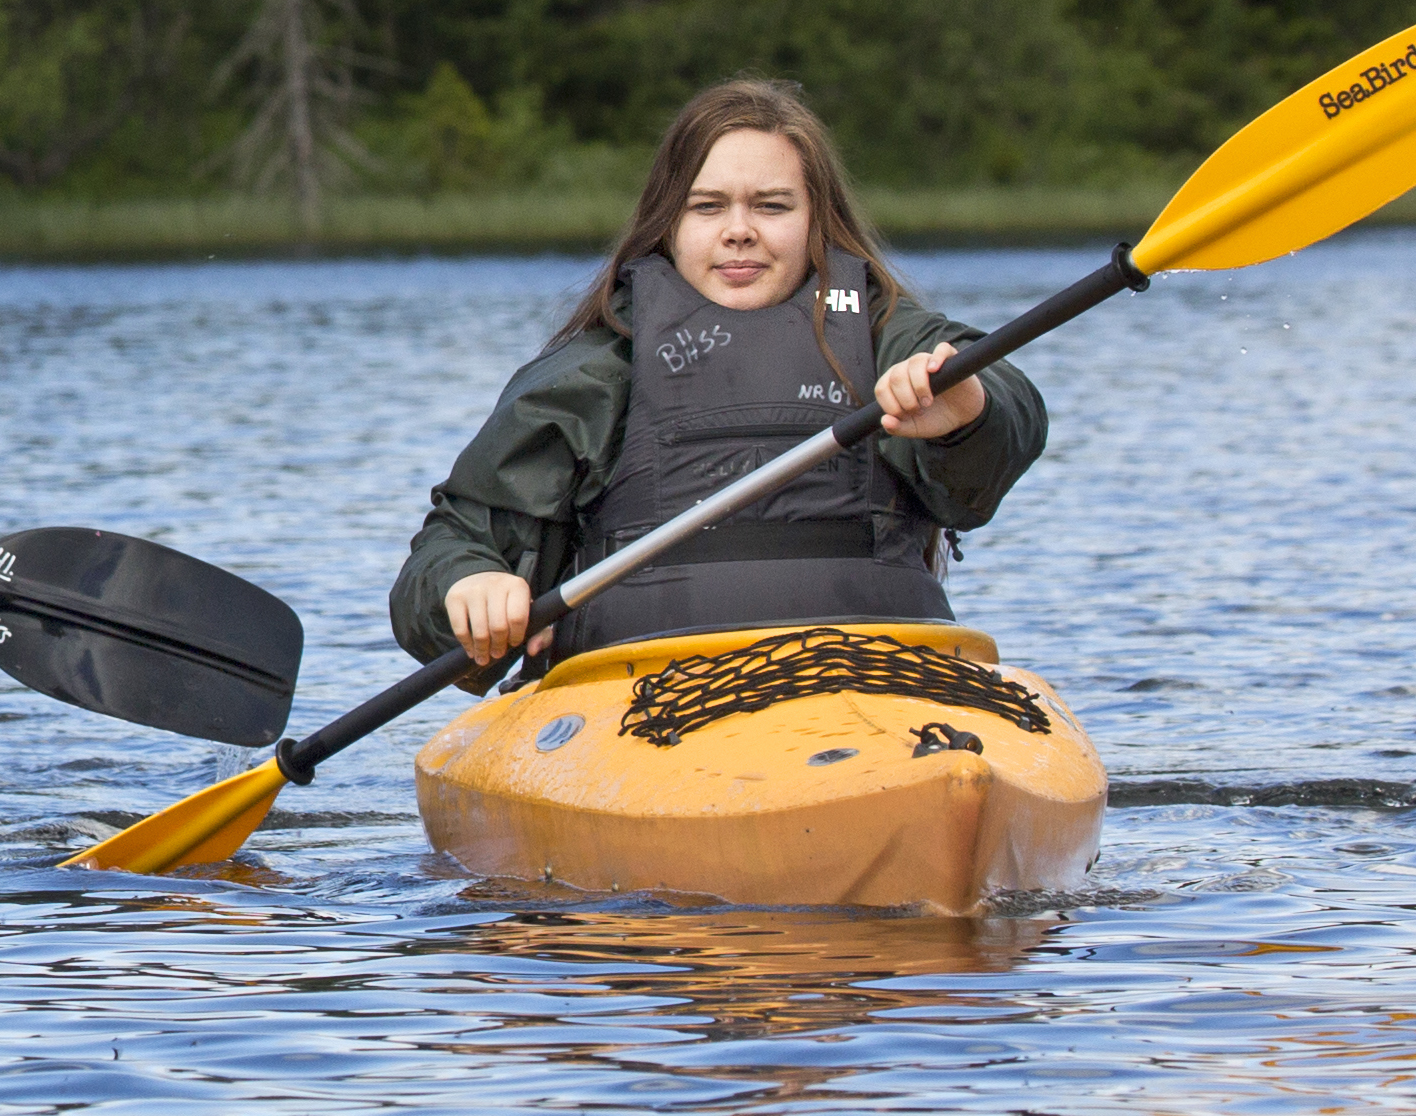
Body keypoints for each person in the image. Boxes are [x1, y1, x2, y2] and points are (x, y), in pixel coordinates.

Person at [393, 78, 1047, 676]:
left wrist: (969, 405)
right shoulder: (594, 376)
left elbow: (1010, 404)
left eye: (771, 206)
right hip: (638, 707)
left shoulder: (888, 341)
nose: (739, 232)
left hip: (877, 682)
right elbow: (446, 551)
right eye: (707, 207)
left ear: (817, 220)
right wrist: (468, 583)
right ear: (668, 227)